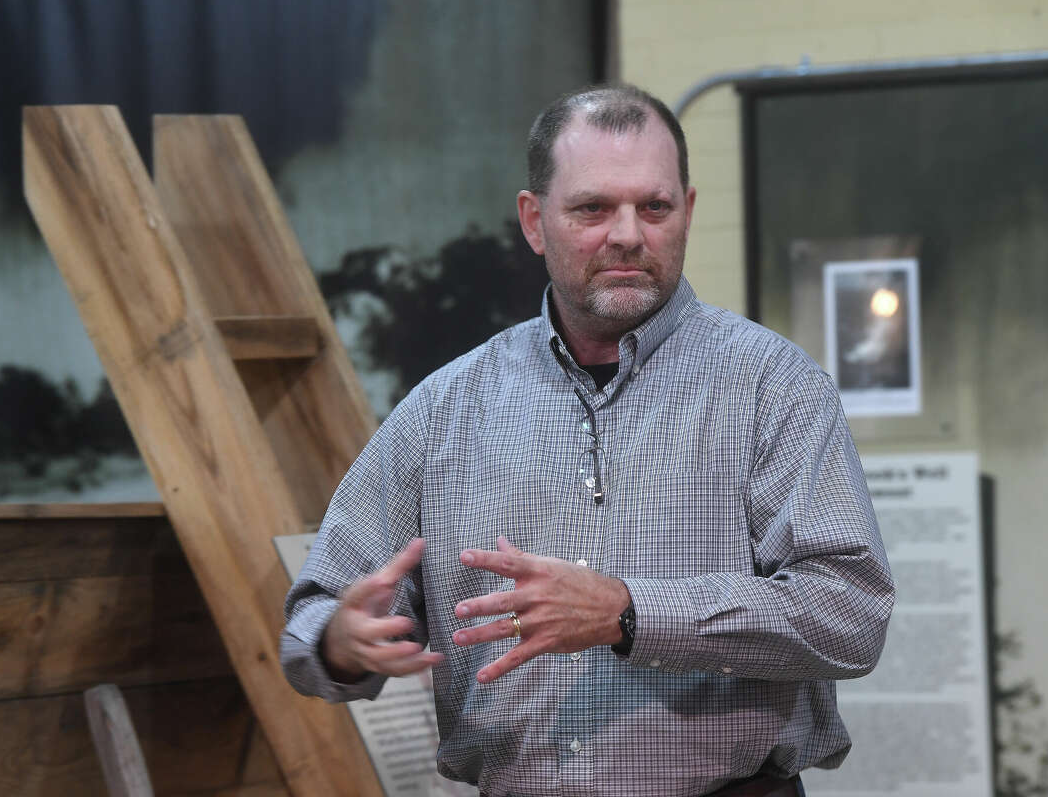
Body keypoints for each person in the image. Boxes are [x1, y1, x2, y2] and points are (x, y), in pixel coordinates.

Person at [281, 83, 894, 797]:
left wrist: (629, 613)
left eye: (654, 207)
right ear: (534, 221)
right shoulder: (443, 409)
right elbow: (313, 616)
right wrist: (341, 643)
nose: (629, 234)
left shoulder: (774, 386)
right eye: (594, 208)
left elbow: (850, 614)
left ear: (687, 213)